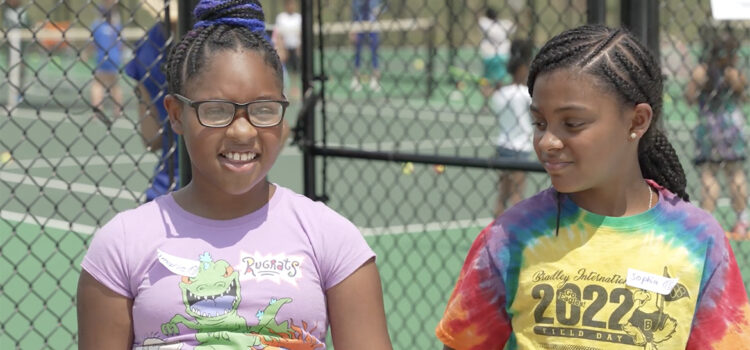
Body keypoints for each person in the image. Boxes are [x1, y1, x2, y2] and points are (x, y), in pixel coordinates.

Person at [77, 1, 393, 349]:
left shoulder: (333, 240)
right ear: (177, 114)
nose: (242, 132)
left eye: (263, 110)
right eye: (216, 111)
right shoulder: (121, 245)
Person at [436, 25, 750, 349]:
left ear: (637, 121)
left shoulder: (698, 241)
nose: (547, 142)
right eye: (539, 123)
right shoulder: (509, 238)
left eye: (572, 124)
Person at [685, 24, 748, 240]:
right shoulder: (733, 71)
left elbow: (689, 97)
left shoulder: (702, 70)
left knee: (709, 173)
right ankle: (742, 220)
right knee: (735, 172)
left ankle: (707, 221)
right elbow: (744, 94)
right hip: (730, 122)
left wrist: (699, 82)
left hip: (709, 123)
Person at [125, 0, 180, 202]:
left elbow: (151, 139)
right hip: (234, 196)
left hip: (166, 190)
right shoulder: (240, 36)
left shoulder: (147, 47)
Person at [491, 38, 534, 216]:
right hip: (520, 147)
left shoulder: (500, 93)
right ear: (521, 70)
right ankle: (516, 236)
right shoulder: (525, 94)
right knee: (517, 195)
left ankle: (494, 231)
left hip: (503, 146)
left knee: (502, 195)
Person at [89, 0, 124, 125]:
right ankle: (118, 110)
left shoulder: (96, 25)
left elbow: (92, 44)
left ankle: (98, 110)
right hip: (114, 59)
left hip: (101, 58)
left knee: (97, 84)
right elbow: (121, 45)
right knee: (115, 85)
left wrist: (86, 54)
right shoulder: (117, 27)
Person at [477, 6, 515, 97]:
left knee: (487, 80)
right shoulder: (504, 24)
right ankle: (498, 96)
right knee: (500, 80)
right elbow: (514, 27)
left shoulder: (484, 22)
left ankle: (488, 98)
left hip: (489, 56)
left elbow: (478, 18)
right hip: (503, 56)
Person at [349, 0, 384, 92]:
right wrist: (353, 29)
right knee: (357, 52)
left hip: (373, 26)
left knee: (374, 52)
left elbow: (384, 6)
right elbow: (354, 10)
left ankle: (375, 80)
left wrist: (379, 10)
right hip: (359, 25)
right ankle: (356, 79)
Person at [3, 0, 29, 109]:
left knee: (20, 72)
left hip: (21, 47)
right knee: (13, 71)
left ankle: (18, 95)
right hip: (10, 47)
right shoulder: (6, 12)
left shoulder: (23, 13)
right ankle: (13, 97)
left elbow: (28, 26)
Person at [274, 0, 301, 99]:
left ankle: (294, 89)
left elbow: (300, 34)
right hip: (285, 48)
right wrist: (282, 49)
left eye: (293, 4)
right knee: (284, 70)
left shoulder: (298, 17)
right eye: (289, 4)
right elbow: (279, 34)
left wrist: (299, 47)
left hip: (295, 47)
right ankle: (284, 90)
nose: (291, 6)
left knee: (295, 70)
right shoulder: (281, 18)